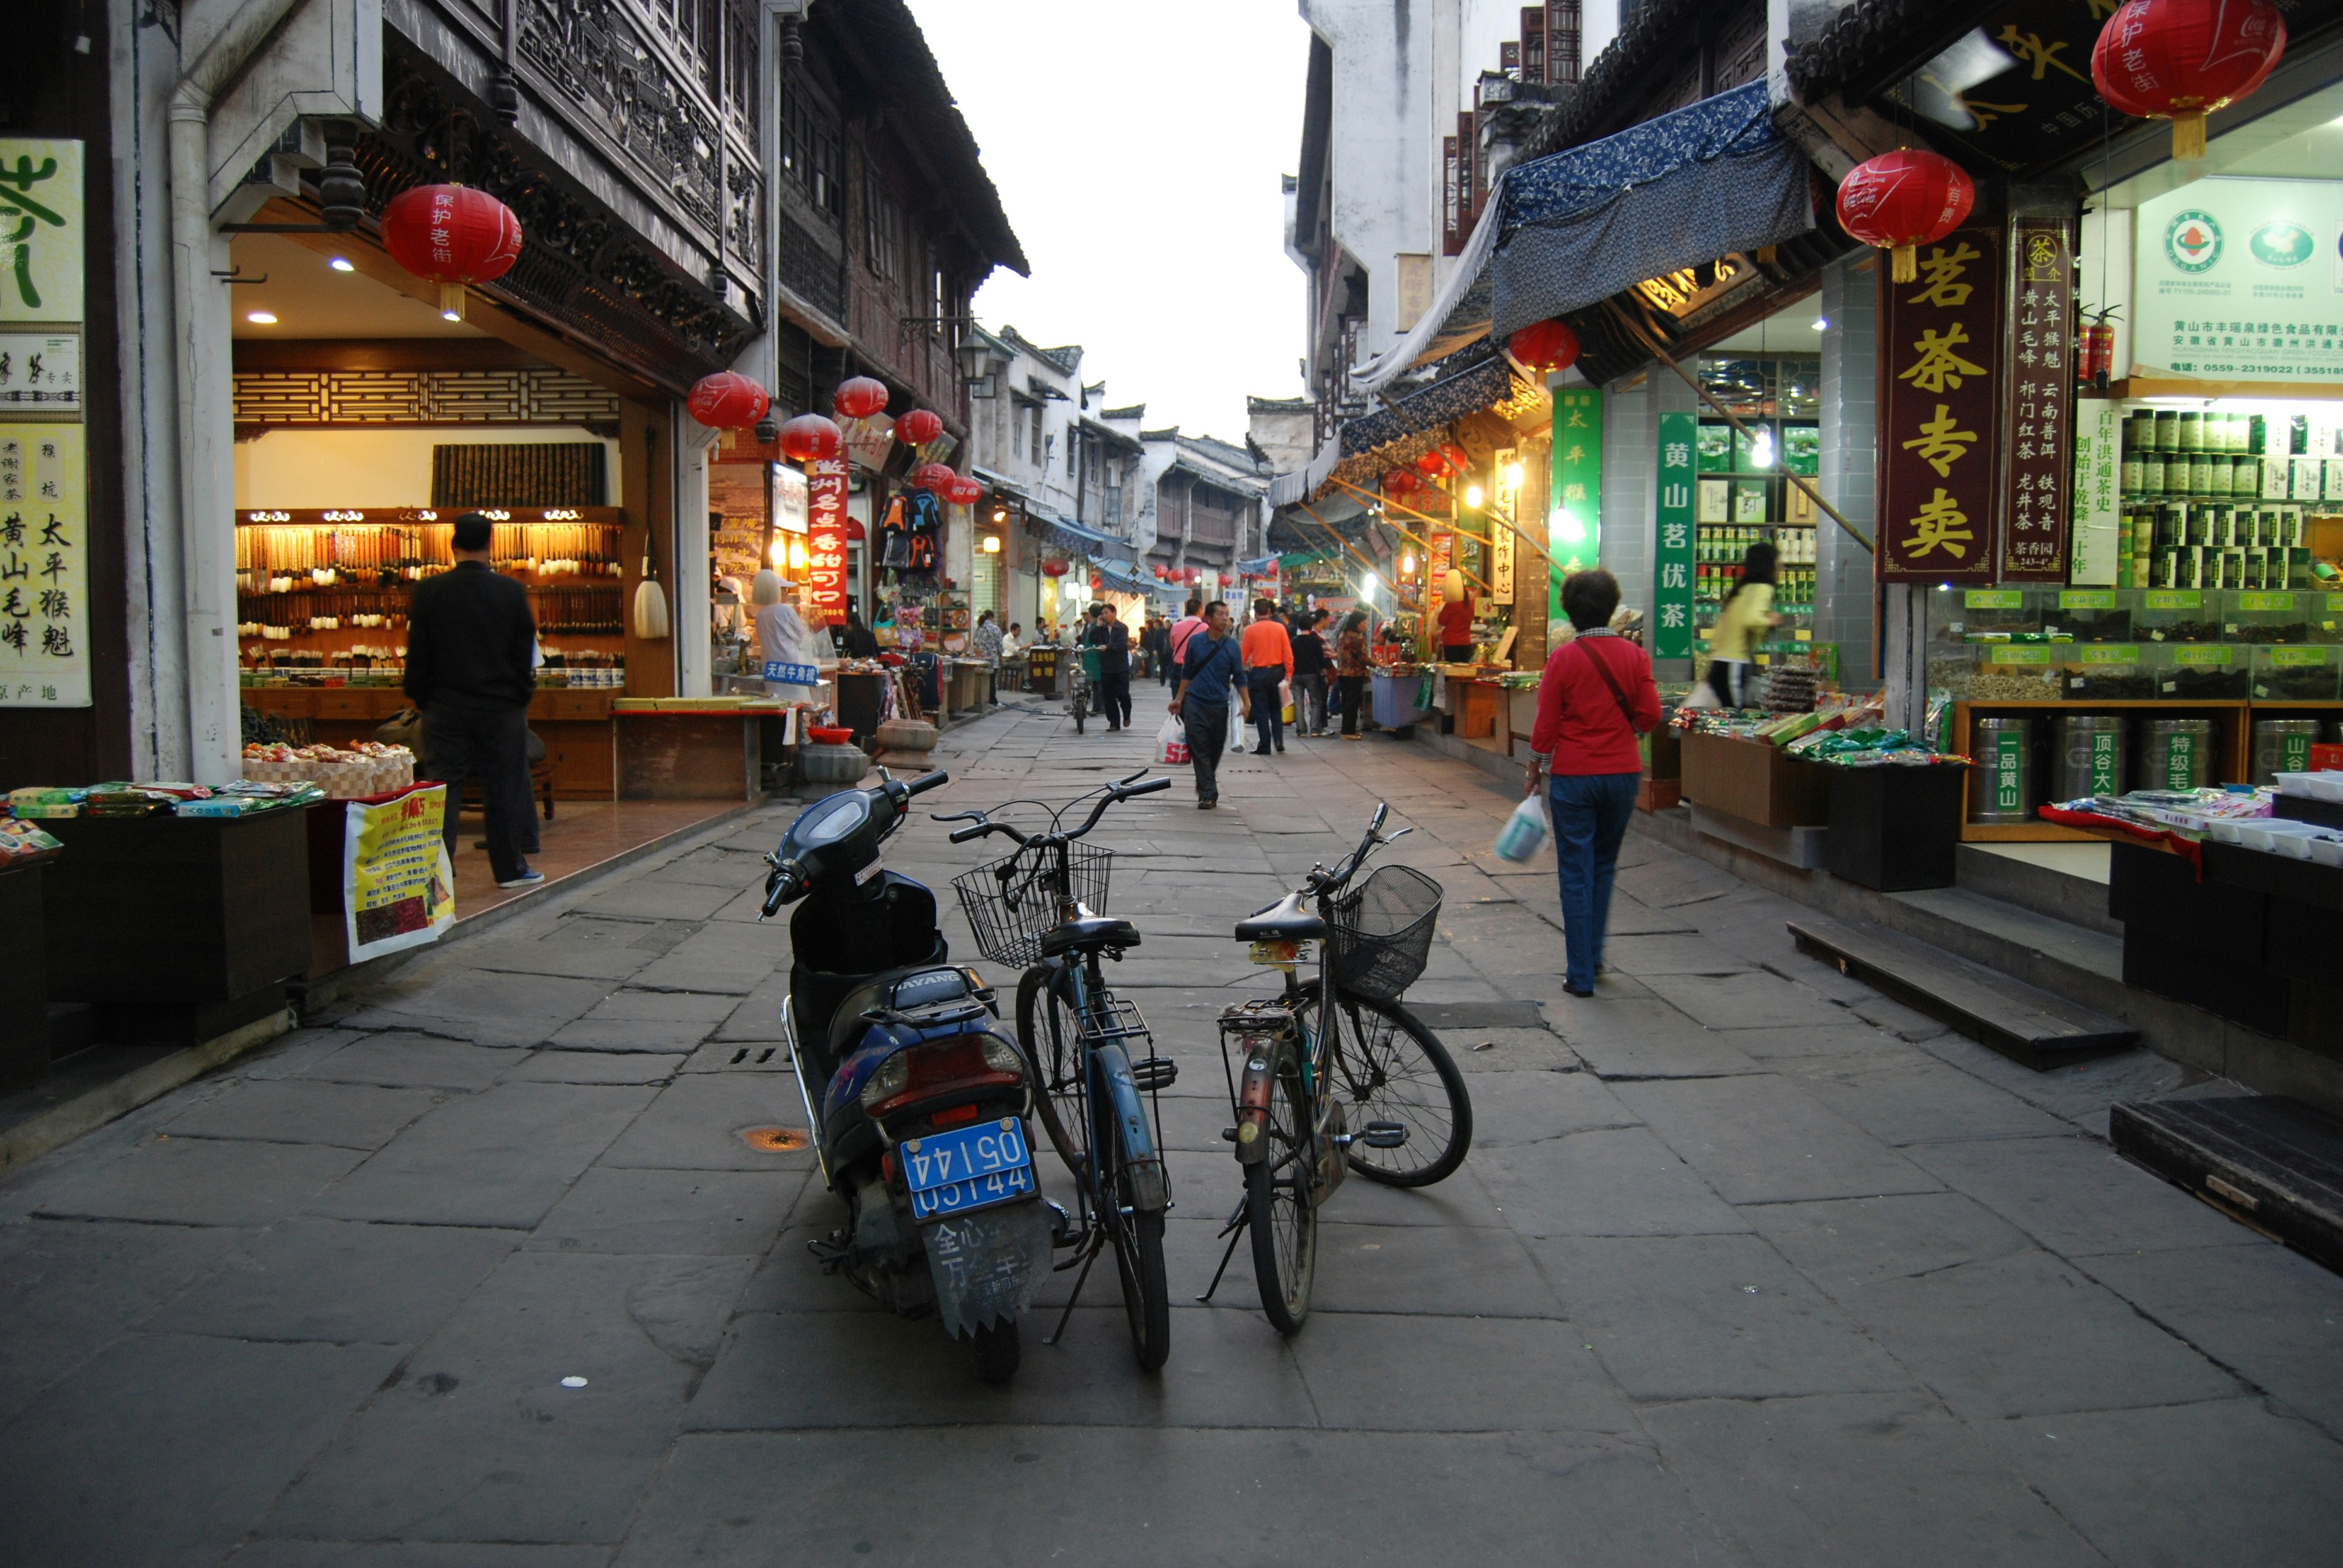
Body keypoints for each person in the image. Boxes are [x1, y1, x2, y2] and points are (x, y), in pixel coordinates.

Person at [1525, 569, 1662, 998]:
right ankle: (1596, 958)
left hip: (1574, 777)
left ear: (1570, 609)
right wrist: (1628, 730)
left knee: (1575, 872)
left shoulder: (1564, 658)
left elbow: (1545, 726)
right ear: (1612, 605)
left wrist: (1533, 770)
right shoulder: (1635, 656)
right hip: (1623, 774)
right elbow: (1652, 714)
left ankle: (1580, 973)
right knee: (1603, 866)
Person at [405, 510, 542, 888]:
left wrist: (422, 697)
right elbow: (523, 652)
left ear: (453, 545)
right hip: (500, 707)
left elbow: (419, 652)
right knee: (503, 786)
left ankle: (438, 874)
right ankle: (509, 869)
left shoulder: (430, 591)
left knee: (443, 788)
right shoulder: (510, 591)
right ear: (489, 544)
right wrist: (519, 697)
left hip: (446, 707)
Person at [1168, 599, 1248, 809]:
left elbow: (1239, 676)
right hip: (1195, 703)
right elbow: (1187, 673)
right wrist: (1179, 698)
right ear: (1209, 619)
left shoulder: (1232, 646)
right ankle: (1209, 794)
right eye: (1220, 614)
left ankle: (1205, 782)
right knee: (1199, 748)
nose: (1225, 618)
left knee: (1215, 749)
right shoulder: (1195, 642)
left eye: (1227, 614)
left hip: (1219, 705)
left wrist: (1246, 702)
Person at [1706, 540, 1779, 708]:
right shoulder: (1762, 588)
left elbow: (1721, 627)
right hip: (1734, 662)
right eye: (1778, 561)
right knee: (1736, 721)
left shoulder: (1741, 590)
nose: (1781, 566)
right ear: (1770, 564)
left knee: (1727, 717)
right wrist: (1770, 620)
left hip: (1719, 663)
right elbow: (1751, 619)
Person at [1239, 596, 1294, 755]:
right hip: (1277, 673)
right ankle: (1279, 741)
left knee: (1261, 710)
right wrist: (1289, 674)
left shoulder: (1250, 630)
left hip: (1258, 674)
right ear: (1269, 611)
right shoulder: (1280, 628)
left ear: (1255, 613)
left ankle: (1264, 744)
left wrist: (1237, 674)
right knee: (1276, 709)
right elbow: (1288, 654)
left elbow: (1243, 656)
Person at [1088, 600, 1133, 731]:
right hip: (1106, 667)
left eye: (1107, 612)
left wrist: (1108, 647)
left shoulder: (1122, 628)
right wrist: (1097, 625)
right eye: (1103, 613)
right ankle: (1114, 723)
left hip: (1121, 667)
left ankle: (1127, 714)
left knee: (1123, 694)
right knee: (1108, 696)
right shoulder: (1101, 629)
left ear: (1114, 613)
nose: (1104, 615)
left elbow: (1121, 644)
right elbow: (1092, 639)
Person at [1291, 608, 1330, 737]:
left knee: (1298, 703)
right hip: (1312, 674)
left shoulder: (1294, 641)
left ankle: (1301, 730)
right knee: (1316, 701)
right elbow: (1321, 659)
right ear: (1311, 625)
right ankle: (1315, 729)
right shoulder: (1315, 640)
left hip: (1296, 674)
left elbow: (1291, 659)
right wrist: (1324, 674)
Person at [1334, 609, 1371, 742]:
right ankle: (1348, 731)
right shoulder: (1357, 638)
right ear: (1358, 623)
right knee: (1353, 703)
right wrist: (1378, 664)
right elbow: (1364, 658)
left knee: (1346, 703)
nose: (1366, 625)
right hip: (1354, 674)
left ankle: (1347, 730)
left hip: (1343, 673)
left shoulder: (1343, 635)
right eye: (1365, 622)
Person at [1437, 587, 1475, 664]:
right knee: (1464, 670)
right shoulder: (1471, 605)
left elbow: (1441, 621)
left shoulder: (1451, 605)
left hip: (1451, 642)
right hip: (1466, 642)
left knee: (1452, 669)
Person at [974, 609, 1004, 705]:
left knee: (981, 680)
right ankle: (992, 700)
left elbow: (976, 642)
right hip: (993, 659)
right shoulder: (996, 629)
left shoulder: (979, 628)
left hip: (981, 659)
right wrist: (1001, 658)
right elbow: (1000, 645)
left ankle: (981, 699)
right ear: (991, 618)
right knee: (992, 680)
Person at [1167, 596, 1205, 671]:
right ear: (1200, 610)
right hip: (1198, 669)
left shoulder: (1176, 626)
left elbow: (1173, 645)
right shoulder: (1206, 628)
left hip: (1179, 667)